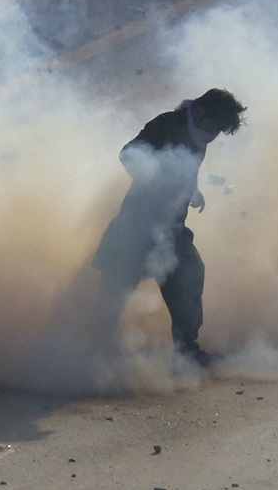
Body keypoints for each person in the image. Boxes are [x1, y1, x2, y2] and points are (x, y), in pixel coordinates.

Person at [88, 89, 243, 366]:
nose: (213, 134)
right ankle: (94, 355)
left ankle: (187, 351)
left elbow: (182, 172)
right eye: (213, 126)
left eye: (219, 131)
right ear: (199, 111)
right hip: (136, 227)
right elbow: (129, 154)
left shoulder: (199, 135)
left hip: (170, 230)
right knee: (114, 293)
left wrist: (191, 190)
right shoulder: (166, 125)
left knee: (191, 274)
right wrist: (155, 178)